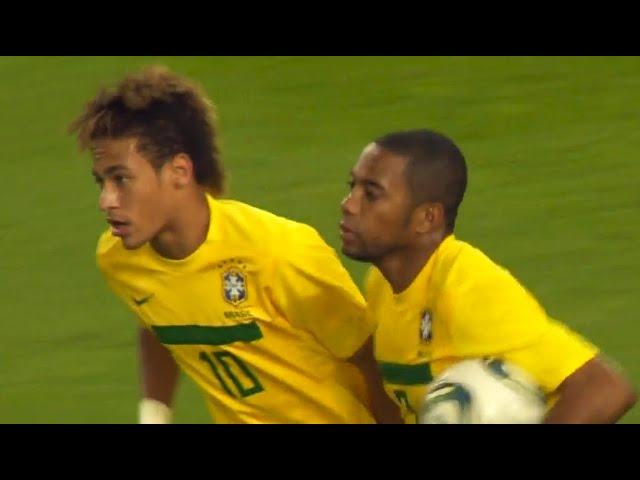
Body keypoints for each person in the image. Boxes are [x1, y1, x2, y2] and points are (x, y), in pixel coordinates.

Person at [68, 65, 399, 424]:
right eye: (101, 182)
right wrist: (153, 415)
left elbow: (369, 358)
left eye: (121, 179)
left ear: (179, 171)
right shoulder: (120, 259)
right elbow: (158, 319)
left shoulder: (280, 252)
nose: (106, 200)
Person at [339, 128, 636, 423]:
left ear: (427, 218)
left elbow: (604, 389)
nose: (348, 204)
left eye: (371, 195)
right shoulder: (381, 285)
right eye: (352, 187)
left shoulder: (466, 286)